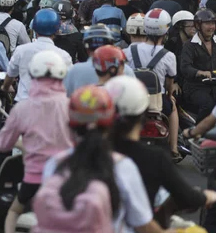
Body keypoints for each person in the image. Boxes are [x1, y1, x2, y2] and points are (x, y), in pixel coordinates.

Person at [35, 84, 166, 233]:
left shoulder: (54, 163)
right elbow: (143, 224)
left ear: (71, 123)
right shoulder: (123, 166)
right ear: (111, 122)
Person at [107, 76, 216, 219]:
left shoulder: (86, 152)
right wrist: (208, 196)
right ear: (143, 113)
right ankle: (174, 148)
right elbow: (186, 196)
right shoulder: (154, 158)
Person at [0, 51, 73, 233]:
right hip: (68, 179)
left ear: (32, 74)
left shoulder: (23, 108)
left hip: (34, 178)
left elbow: (3, 143)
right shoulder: (71, 106)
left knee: (13, 212)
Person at [125, 8, 181, 161]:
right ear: (166, 30)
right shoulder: (169, 56)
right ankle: (174, 148)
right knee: (174, 108)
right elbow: (170, 83)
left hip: (132, 98)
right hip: (158, 102)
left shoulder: (130, 50)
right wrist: (170, 96)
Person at [4, 9, 72, 102]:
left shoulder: (21, 50)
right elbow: (69, 83)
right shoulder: (63, 55)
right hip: (51, 107)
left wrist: (5, 88)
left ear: (35, 28)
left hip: (24, 105)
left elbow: (10, 75)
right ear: (57, 30)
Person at [63, 24, 136, 96]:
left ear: (86, 48)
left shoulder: (74, 71)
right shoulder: (124, 69)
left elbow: (66, 97)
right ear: (111, 46)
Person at [180, 8, 216, 122]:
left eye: (213, 23)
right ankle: (198, 134)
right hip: (195, 87)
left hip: (215, 85)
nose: (211, 27)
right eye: (208, 23)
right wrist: (201, 73)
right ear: (198, 25)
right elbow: (185, 67)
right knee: (208, 105)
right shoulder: (189, 46)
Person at [165, 11, 195, 90]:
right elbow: (167, 66)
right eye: (191, 26)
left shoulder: (196, 43)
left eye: (195, 25)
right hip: (178, 81)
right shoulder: (171, 44)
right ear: (180, 27)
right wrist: (174, 82)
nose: (194, 28)